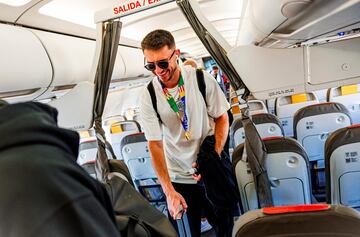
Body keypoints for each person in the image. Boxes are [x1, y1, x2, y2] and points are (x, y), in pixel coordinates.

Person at [140, 29, 232, 236]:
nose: (158, 70)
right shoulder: (148, 95)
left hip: (209, 170)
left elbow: (221, 117)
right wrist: (168, 191)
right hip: (178, 178)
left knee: (225, 229)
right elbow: (155, 144)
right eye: (150, 65)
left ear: (176, 54)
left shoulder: (201, 79)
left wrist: (215, 155)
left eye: (163, 63)